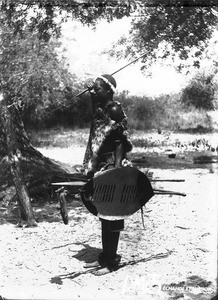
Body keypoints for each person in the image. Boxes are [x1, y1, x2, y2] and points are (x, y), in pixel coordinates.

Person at [82, 74, 133, 274]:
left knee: (112, 215)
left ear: (109, 90)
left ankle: (112, 262)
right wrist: (91, 95)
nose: (95, 91)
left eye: (98, 88)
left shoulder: (114, 109)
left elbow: (121, 139)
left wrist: (117, 167)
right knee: (104, 214)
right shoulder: (103, 109)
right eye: (94, 89)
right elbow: (97, 118)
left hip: (113, 164)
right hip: (102, 164)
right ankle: (105, 257)